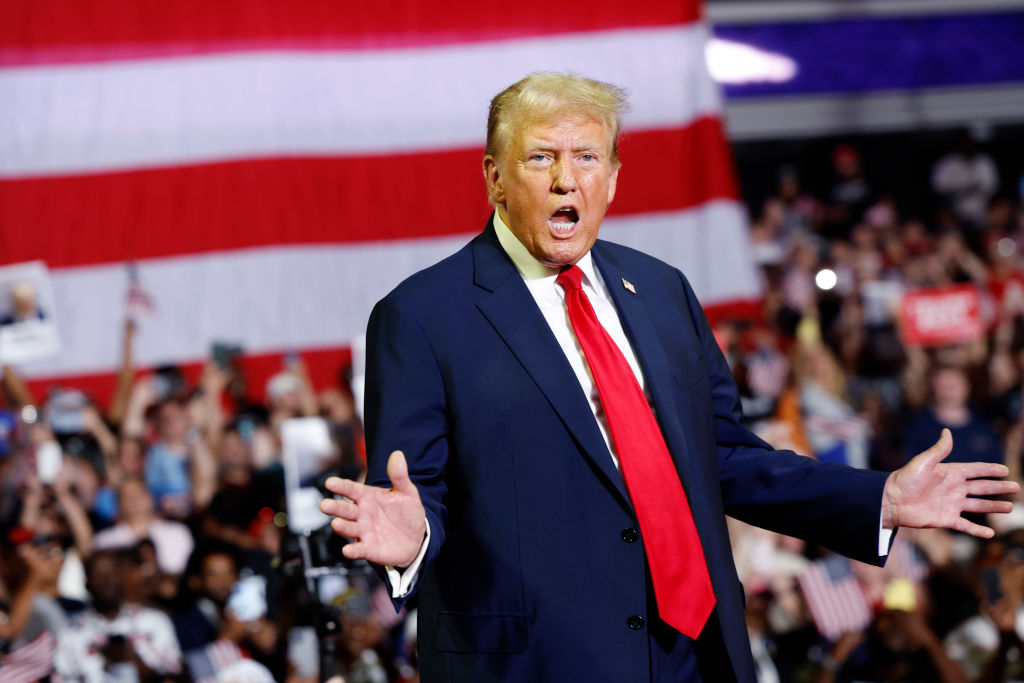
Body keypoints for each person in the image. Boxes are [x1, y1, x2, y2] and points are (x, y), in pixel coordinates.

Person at [319, 73, 1017, 682]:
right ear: (495, 178)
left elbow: (728, 460)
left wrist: (878, 498)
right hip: (542, 662)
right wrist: (414, 539)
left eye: (587, 157)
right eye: (541, 157)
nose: (566, 179)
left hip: (696, 654)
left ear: (613, 177)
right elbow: (416, 491)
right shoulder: (422, 316)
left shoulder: (659, 290)